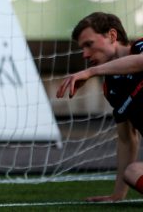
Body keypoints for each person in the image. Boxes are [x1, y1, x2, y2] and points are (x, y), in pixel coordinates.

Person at [57, 12, 143, 202]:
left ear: (112, 36)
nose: (85, 55)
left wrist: (91, 72)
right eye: (82, 49)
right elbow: (127, 140)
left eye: (89, 44)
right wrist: (117, 195)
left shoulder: (140, 47)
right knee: (132, 172)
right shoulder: (112, 87)